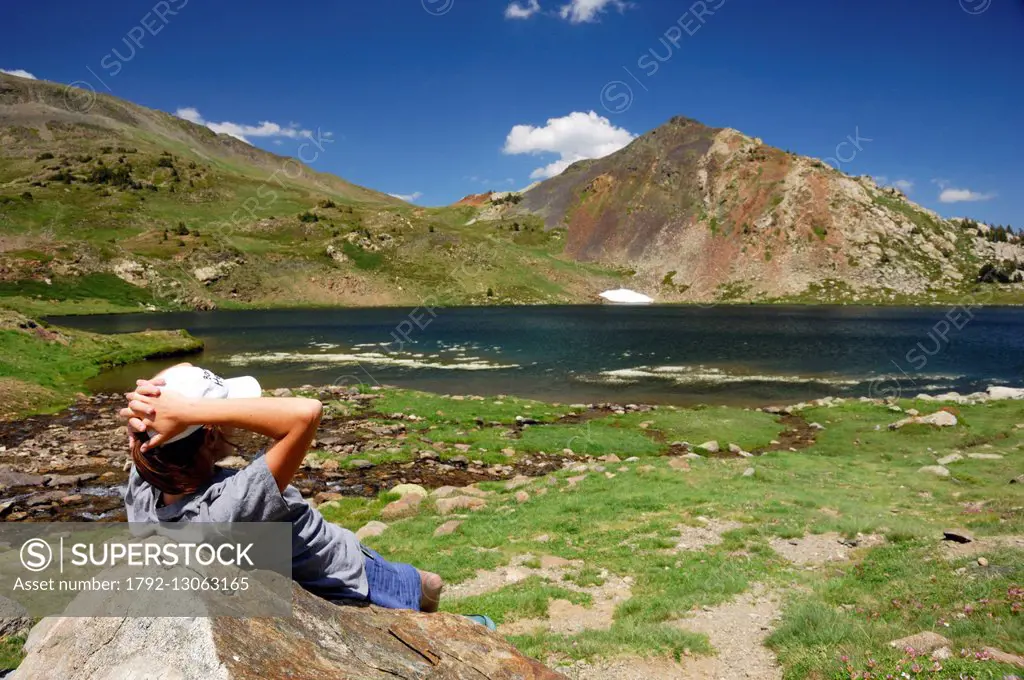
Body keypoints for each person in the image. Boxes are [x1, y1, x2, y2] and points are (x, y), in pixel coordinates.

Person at [119, 363, 443, 612]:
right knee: (428, 587)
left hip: (315, 564)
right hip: (348, 574)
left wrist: (149, 408)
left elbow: (185, 371)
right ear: (211, 433)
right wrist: (189, 411)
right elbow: (306, 412)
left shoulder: (145, 486)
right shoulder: (228, 507)